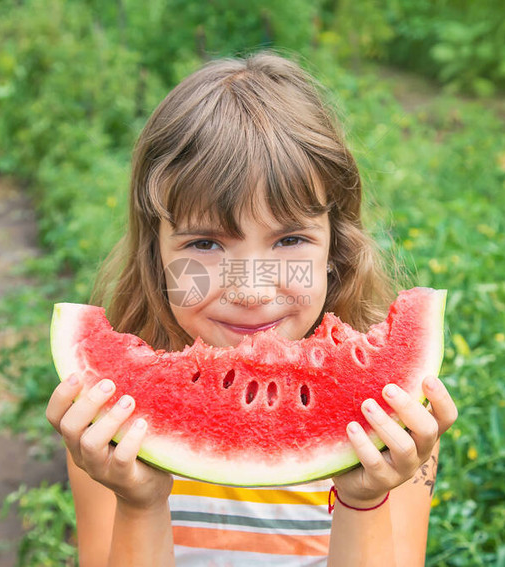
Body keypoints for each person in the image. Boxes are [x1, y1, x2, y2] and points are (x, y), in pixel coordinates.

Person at [46, 52, 458, 566]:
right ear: (156, 252)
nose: (251, 291)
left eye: (289, 240)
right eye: (206, 244)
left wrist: (364, 500)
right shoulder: (109, 416)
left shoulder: (391, 416)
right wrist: (140, 503)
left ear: (336, 248)